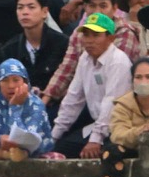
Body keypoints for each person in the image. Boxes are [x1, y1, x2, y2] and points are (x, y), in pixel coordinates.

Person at [51, 11, 133, 162]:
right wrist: (54, 135)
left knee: (99, 154)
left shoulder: (118, 62)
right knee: (60, 149)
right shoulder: (85, 59)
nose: (89, 41)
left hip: (119, 127)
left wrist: (96, 139)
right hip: (97, 124)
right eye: (86, 35)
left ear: (111, 38)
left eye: (96, 35)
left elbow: (112, 103)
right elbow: (73, 98)